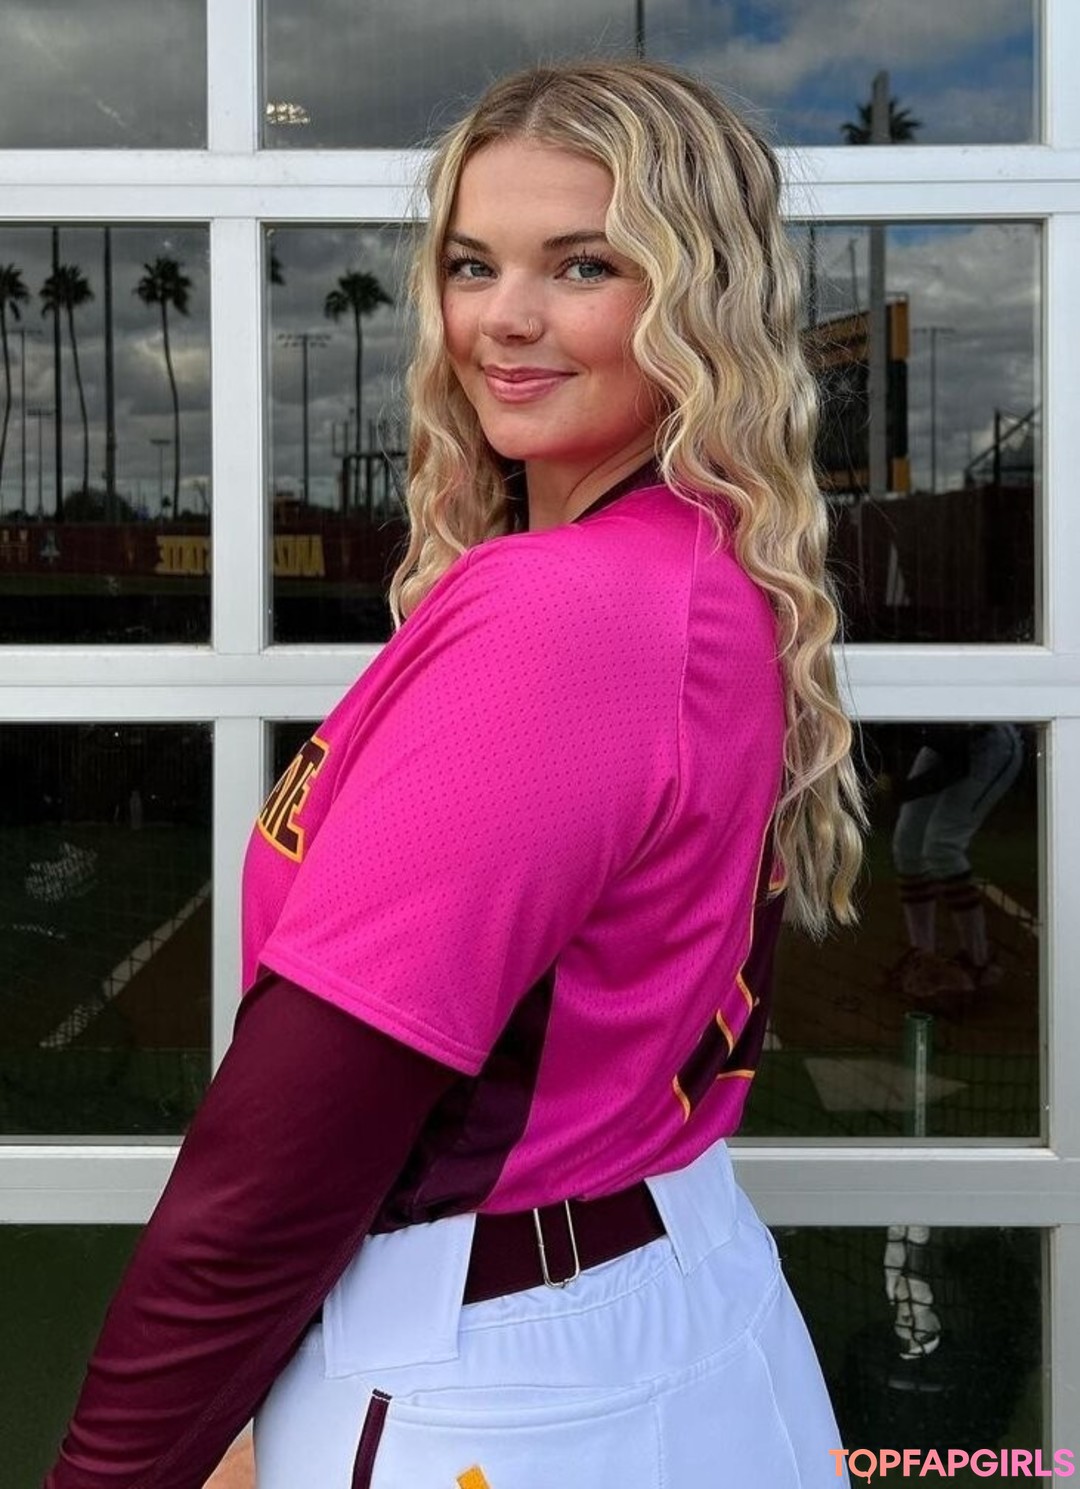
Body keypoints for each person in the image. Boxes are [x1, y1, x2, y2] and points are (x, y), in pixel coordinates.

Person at [45, 60, 865, 1489]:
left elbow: (281, 1164)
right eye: (474, 263)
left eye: (585, 264)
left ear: (701, 301)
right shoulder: (695, 566)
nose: (504, 317)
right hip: (659, 1307)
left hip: (499, 1380)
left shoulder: (567, 613)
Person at [889, 723, 1023, 1005]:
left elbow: (955, 766)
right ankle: (923, 953)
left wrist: (905, 788)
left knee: (942, 847)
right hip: (944, 742)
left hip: (990, 745)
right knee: (906, 845)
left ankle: (979, 961)